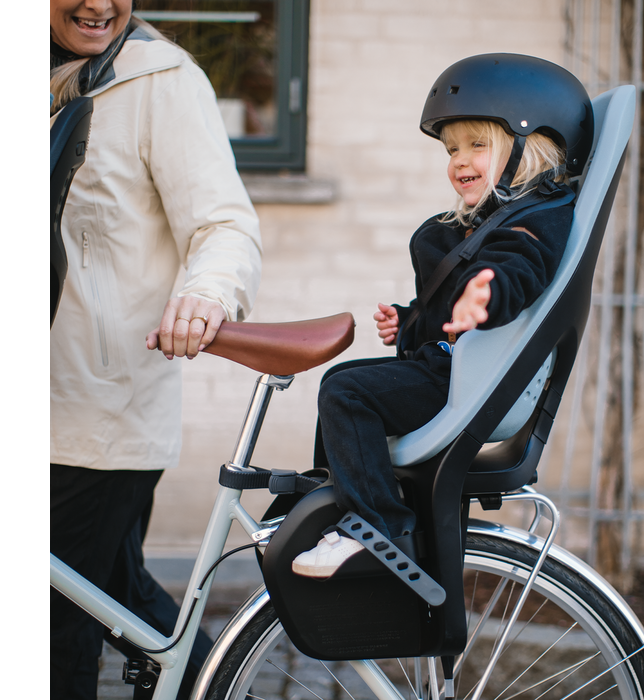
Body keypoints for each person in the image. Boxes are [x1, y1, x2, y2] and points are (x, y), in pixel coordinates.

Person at [292, 53, 593, 578]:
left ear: (531, 146)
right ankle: (330, 506)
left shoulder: (533, 221)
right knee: (344, 380)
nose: (459, 160)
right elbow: (444, 318)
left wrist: (487, 294)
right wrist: (408, 322)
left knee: (347, 392)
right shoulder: (486, 223)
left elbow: (518, 271)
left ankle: (375, 528)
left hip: (470, 381)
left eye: (478, 144)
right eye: (452, 148)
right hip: (451, 369)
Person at [49, 2, 262, 699]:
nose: (99, 3)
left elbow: (223, 222)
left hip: (99, 409)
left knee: (62, 623)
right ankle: (222, 687)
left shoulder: (161, 78)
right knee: (117, 596)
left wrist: (207, 294)